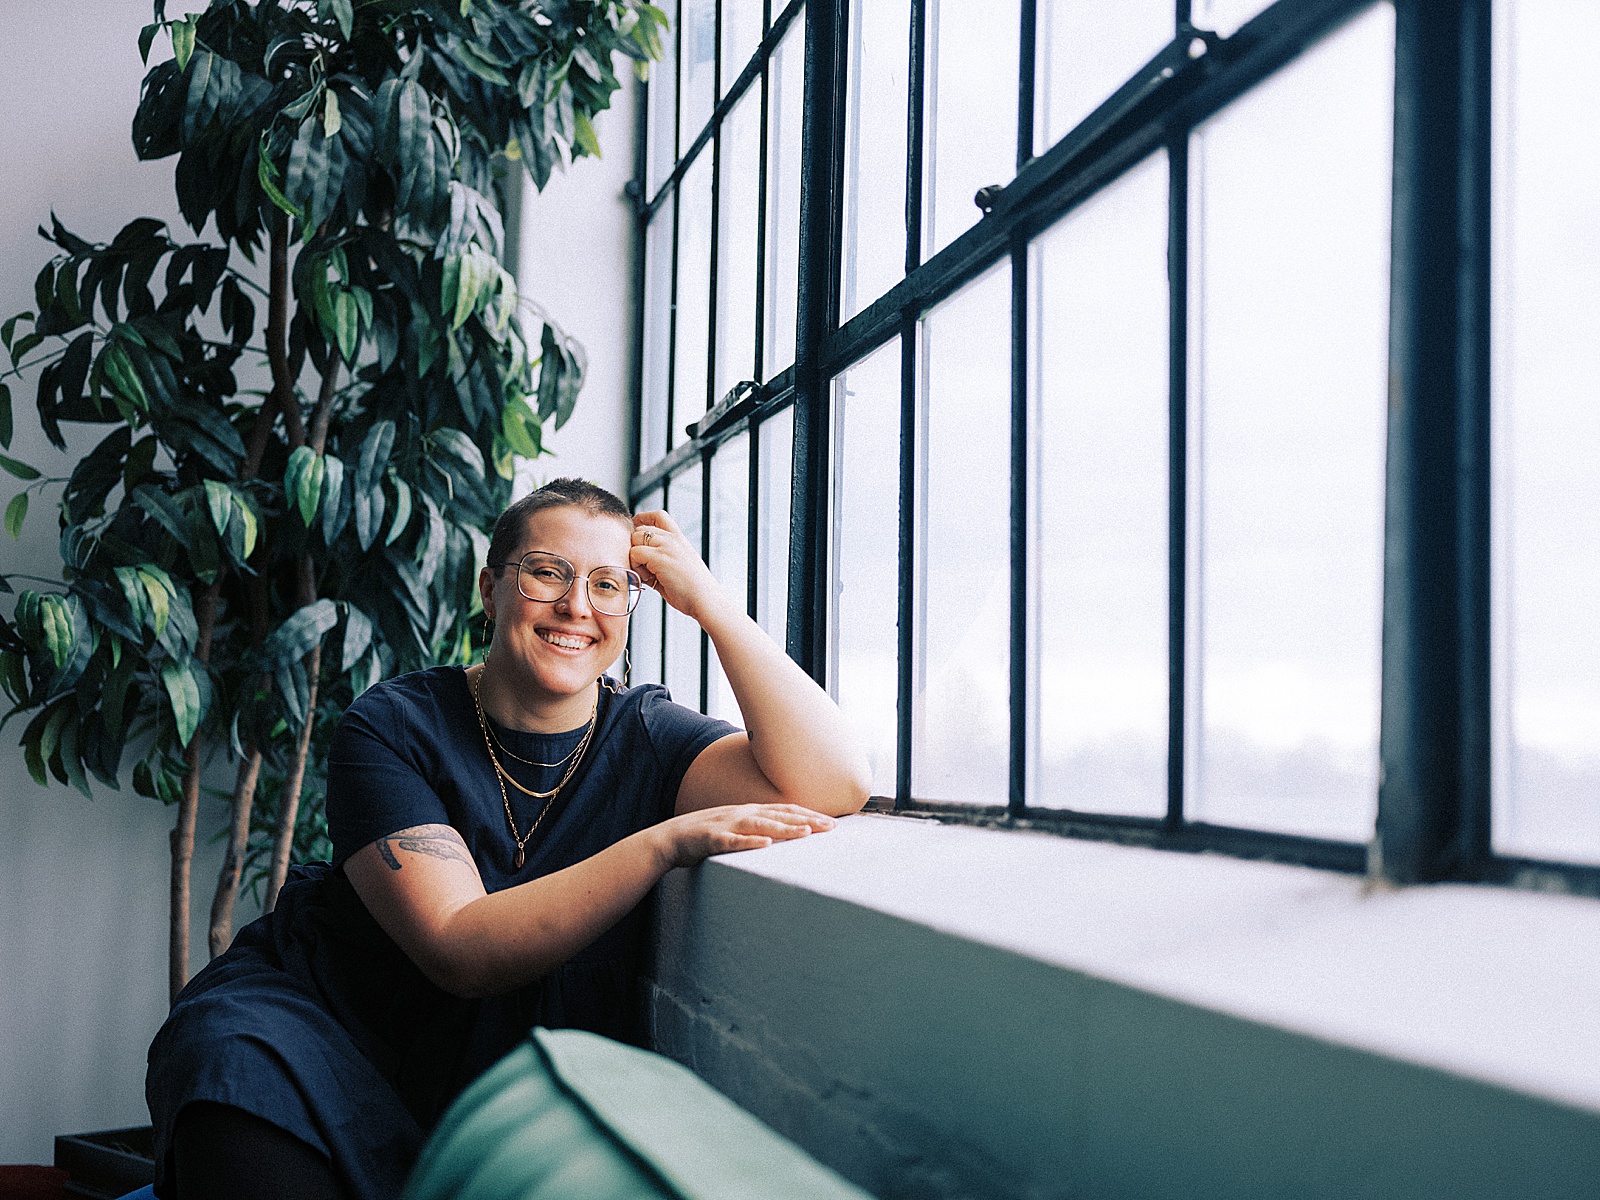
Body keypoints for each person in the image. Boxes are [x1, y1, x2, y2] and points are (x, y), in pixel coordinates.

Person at [145, 478, 871, 1200]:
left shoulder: (649, 736)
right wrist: (660, 844)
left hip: (481, 1075)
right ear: (491, 588)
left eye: (609, 585)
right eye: (548, 572)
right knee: (236, 1096)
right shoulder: (393, 725)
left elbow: (838, 780)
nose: (576, 606)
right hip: (318, 1034)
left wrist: (715, 609)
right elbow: (459, 947)